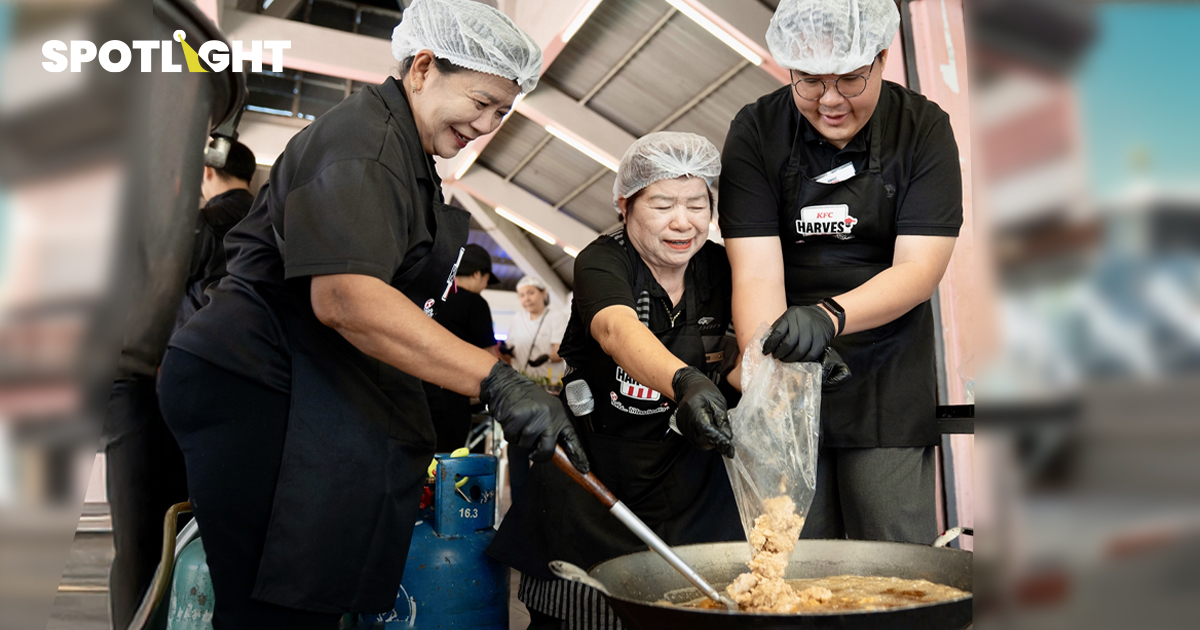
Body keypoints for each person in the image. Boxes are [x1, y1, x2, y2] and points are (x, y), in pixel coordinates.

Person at [157, 1, 588, 627]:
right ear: (421, 67)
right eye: (479, 101)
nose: (488, 124)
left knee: (307, 597)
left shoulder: (410, 158)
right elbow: (346, 298)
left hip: (294, 387)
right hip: (253, 382)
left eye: (502, 111)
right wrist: (497, 380)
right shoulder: (367, 144)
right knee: (273, 607)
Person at [719, 0, 963, 544]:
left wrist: (830, 316)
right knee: (796, 553)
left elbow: (919, 269)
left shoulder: (922, 129)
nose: (830, 100)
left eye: (851, 80)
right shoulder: (757, 129)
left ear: (881, 59)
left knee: (891, 548)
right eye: (809, 81)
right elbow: (756, 271)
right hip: (784, 357)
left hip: (887, 368)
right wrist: (770, 368)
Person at [489, 132, 745, 630]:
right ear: (625, 205)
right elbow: (614, 328)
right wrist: (686, 381)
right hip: (594, 478)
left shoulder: (721, 266)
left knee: (690, 610)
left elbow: (747, 351)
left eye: (697, 204)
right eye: (663, 203)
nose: (683, 221)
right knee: (583, 615)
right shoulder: (604, 259)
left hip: (692, 484)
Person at [424, 243, 500, 452]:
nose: (484, 285)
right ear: (477, 274)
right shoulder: (476, 303)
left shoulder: (434, 298)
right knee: (447, 462)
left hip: (420, 391)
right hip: (451, 396)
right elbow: (488, 357)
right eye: (485, 280)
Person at [174, 140, 257, 329]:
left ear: (207, 171)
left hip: (195, 335)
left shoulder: (205, 221)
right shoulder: (268, 217)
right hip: (250, 338)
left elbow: (170, 281)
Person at [506, 275, 568, 386]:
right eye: (521, 295)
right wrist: (505, 351)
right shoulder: (517, 318)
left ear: (543, 293)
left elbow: (559, 353)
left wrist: (546, 358)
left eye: (530, 293)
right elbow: (509, 349)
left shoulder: (556, 316)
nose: (526, 299)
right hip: (520, 382)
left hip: (548, 383)